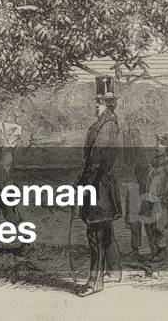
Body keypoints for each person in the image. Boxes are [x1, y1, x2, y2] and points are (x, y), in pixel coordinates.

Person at [75, 78, 122, 297]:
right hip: (102, 183)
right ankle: (115, 271)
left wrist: (82, 184)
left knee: (95, 233)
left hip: (98, 185)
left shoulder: (107, 125)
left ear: (108, 105)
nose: (96, 105)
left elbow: (95, 160)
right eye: (97, 101)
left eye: (100, 102)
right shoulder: (106, 123)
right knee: (106, 229)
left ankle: (95, 282)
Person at [141, 133, 168, 263]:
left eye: (161, 144)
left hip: (162, 202)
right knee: (152, 226)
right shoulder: (154, 163)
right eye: (158, 143)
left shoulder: (167, 164)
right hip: (151, 200)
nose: (157, 146)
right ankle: (156, 250)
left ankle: (162, 252)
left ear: (167, 148)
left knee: (160, 226)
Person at [119, 122, 150, 257]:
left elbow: (144, 176)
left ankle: (153, 248)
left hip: (141, 191)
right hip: (134, 192)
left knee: (147, 222)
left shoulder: (141, 160)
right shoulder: (128, 160)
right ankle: (136, 249)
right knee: (134, 222)